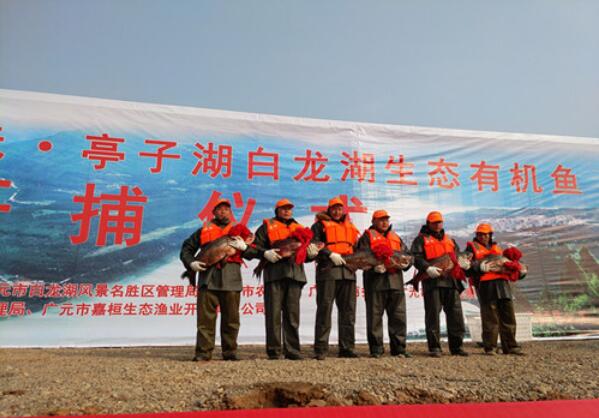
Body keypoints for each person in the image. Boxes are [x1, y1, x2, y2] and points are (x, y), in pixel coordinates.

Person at [244, 199, 318, 360]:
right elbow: (252, 248)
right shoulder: (267, 227)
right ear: (276, 210)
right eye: (283, 208)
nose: (286, 211)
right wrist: (265, 253)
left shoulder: (300, 228)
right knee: (273, 314)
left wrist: (311, 255)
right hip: (274, 275)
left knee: (292, 315)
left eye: (289, 208)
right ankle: (274, 351)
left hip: (295, 275)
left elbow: (304, 256)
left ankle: (293, 350)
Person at [180, 198, 248, 361]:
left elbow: (254, 251)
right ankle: (203, 353)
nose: (223, 211)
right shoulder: (203, 230)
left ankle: (230, 352)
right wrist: (191, 263)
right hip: (207, 280)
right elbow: (186, 249)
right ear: (213, 212)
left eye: (226, 209)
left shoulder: (239, 230)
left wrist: (245, 248)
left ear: (230, 212)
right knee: (205, 320)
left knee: (231, 320)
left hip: (231, 280)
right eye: (219, 209)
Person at [410, 211, 468, 357]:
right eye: (434, 222)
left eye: (439, 222)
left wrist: (463, 263)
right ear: (428, 223)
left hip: (451, 282)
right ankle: (435, 347)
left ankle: (457, 347)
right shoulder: (420, 240)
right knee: (433, 315)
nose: (437, 225)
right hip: (432, 282)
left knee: (456, 315)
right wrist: (426, 268)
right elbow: (415, 257)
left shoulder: (450, 240)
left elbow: (457, 256)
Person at [357, 210, 413, 358]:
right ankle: (376, 349)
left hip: (395, 282)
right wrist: (373, 268)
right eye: (381, 220)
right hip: (375, 283)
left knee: (398, 316)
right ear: (373, 221)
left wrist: (406, 264)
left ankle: (399, 349)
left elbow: (408, 256)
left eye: (386, 219)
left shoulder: (396, 237)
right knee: (374, 317)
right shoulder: (366, 237)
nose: (384, 222)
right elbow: (360, 257)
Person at [311, 197, 360, 360]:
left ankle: (347, 348)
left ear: (343, 210)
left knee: (348, 311)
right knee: (324, 310)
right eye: (334, 209)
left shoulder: (351, 227)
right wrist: (329, 253)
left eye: (339, 209)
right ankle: (321, 349)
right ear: (329, 209)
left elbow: (357, 248)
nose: (337, 212)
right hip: (328, 271)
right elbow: (314, 243)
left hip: (348, 272)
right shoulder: (319, 225)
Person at [465, 223, 526, 356]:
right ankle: (490, 347)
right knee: (490, 317)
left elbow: (510, 264)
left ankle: (510, 346)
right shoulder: (471, 248)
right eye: (480, 234)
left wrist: (519, 269)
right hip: (485, 285)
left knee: (508, 315)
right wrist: (478, 267)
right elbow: (466, 267)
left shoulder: (497, 248)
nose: (483, 237)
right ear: (477, 235)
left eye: (486, 234)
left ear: (490, 235)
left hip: (503, 284)